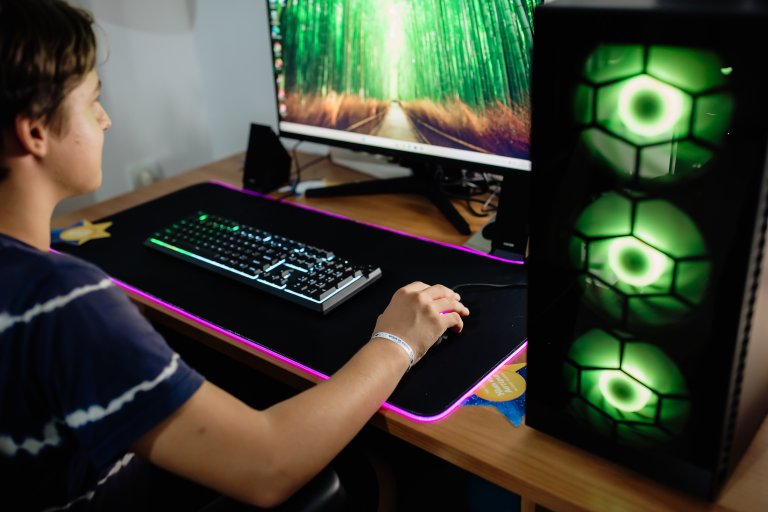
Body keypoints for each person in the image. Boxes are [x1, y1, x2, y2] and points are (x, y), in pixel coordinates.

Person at [0, 1, 470, 510]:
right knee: (373, 472)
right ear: (35, 132)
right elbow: (269, 465)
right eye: (93, 100)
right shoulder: (64, 304)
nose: (106, 119)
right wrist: (398, 340)